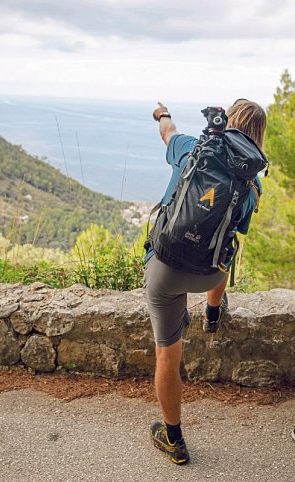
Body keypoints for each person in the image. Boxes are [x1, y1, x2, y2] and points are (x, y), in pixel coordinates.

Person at [144, 99, 267, 465]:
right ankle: (213, 312)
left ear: (226, 121)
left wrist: (162, 114)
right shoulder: (252, 183)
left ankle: (173, 437)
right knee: (228, 245)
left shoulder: (193, 149)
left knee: (168, 351)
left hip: (165, 270)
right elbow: (232, 235)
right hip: (209, 274)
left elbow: (167, 133)